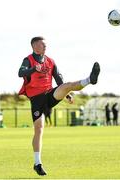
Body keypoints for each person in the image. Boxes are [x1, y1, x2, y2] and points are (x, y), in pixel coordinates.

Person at [18, 36, 100, 176]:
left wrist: (66, 93)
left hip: (50, 94)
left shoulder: (50, 61)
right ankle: (37, 163)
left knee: (68, 85)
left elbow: (58, 79)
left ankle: (90, 79)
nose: (45, 47)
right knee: (39, 130)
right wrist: (33, 69)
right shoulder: (28, 60)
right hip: (36, 100)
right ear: (34, 46)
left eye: (45, 45)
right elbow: (21, 73)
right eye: (42, 45)